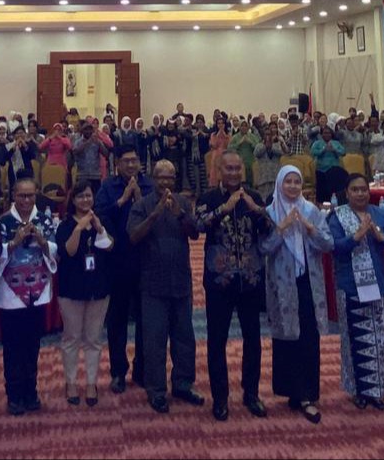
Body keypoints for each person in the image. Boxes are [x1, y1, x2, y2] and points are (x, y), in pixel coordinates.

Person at [196, 152, 272, 421]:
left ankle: (251, 394)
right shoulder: (208, 198)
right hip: (220, 281)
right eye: (228, 168)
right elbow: (198, 225)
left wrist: (256, 209)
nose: (233, 173)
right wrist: (223, 209)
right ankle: (220, 398)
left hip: (250, 280)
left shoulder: (253, 196)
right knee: (217, 341)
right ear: (219, 170)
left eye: (237, 168)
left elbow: (270, 228)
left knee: (253, 339)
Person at [128, 159, 205, 414]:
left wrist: (180, 214)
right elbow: (133, 236)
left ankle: (183, 384)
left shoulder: (182, 203)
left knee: (184, 338)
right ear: (153, 178)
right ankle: (157, 390)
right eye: (161, 177)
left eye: (170, 177)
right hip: (152, 283)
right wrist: (155, 214)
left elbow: (195, 233)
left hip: (181, 281)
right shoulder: (142, 205)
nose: (166, 182)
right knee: (155, 340)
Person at [328, 173, 384, 410]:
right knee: (353, 339)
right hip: (350, 286)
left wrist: (381, 236)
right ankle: (357, 391)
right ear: (347, 193)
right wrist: (356, 237)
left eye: (363, 189)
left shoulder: (379, 214)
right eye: (355, 190)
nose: (360, 193)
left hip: (377, 285)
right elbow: (334, 246)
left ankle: (377, 391)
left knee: (378, 340)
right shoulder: (337, 216)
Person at [263, 165, 333, 424]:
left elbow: (328, 244)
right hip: (282, 284)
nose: (292, 186)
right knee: (286, 335)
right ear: (279, 184)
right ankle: (292, 390)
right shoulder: (270, 213)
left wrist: (308, 227)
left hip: (308, 283)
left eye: (297, 182)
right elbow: (264, 248)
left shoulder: (311, 211)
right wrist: (281, 227)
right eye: (288, 181)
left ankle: (307, 395)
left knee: (308, 336)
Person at [0, 178, 59, 416]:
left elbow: (55, 251)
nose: (26, 200)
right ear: (14, 195)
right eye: (22, 195)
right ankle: (13, 395)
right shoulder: (3, 222)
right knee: (12, 347)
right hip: (10, 292)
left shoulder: (44, 219)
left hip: (37, 291)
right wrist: (15, 242)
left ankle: (30, 392)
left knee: (32, 346)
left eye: (30, 195)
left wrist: (41, 241)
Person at [94, 147, 153, 394]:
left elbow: (156, 217)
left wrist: (138, 199)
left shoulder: (149, 186)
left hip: (144, 261)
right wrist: (122, 200)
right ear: (117, 163)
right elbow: (99, 217)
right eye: (126, 161)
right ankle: (118, 371)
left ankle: (142, 370)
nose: (131, 165)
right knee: (117, 321)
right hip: (117, 262)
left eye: (134, 160)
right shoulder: (108, 187)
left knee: (145, 319)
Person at [55, 180, 115, 407]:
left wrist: (99, 228)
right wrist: (79, 228)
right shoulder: (65, 225)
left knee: (93, 339)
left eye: (88, 195)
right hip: (71, 288)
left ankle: (91, 383)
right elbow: (68, 252)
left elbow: (110, 247)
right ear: (73, 200)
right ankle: (70, 382)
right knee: (71, 337)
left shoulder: (102, 220)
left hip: (98, 287)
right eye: (80, 196)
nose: (85, 200)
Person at [310, 125, 347, 205]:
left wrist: (334, 150)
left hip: (334, 171)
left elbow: (343, 152)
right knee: (322, 191)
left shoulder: (336, 143)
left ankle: (337, 203)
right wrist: (323, 150)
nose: (327, 135)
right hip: (322, 170)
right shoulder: (317, 143)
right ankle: (322, 205)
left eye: (329, 133)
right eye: (325, 133)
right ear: (322, 134)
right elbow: (312, 152)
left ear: (331, 134)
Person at [73, 122, 111, 194]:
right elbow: (75, 152)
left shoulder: (97, 141)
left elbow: (106, 154)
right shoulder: (78, 142)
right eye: (86, 129)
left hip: (95, 175)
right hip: (82, 175)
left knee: (96, 196)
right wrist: (88, 142)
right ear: (82, 131)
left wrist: (99, 143)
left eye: (90, 129)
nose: (88, 131)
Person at [253, 124, 287, 200]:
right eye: (266, 134)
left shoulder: (276, 145)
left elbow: (281, 153)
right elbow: (256, 153)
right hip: (263, 178)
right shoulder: (259, 145)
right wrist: (265, 146)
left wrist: (271, 146)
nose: (268, 136)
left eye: (269, 134)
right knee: (264, 200)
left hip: (275, 176)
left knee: (276, 199)